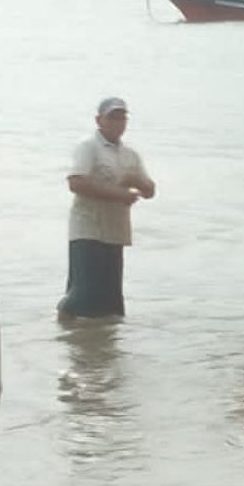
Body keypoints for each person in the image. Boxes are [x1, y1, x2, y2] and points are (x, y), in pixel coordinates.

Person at [59, 98, 156, 321]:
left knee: (111, 302)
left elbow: (150, 190)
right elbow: (76, 182)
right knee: (82, 293)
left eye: (122, 118)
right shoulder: (88, 147)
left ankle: (105, 346)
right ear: (99, 120)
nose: (117, 122)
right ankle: (65, 329)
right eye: (112, 117)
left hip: (115, 232)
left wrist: (138, 182)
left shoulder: (130, 155)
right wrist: (120, 194)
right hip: (87, 229)